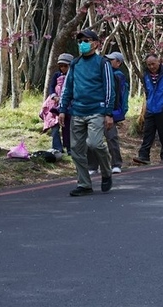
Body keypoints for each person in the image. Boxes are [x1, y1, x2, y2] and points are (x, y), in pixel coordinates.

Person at [58, 29, 115, 196]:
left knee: (95, 143)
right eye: (80, 41)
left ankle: (106, 172)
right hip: (77, 111)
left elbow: (109, 89)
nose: (82, 43)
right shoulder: (75, 64)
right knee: (76, 149)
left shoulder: (102, 63)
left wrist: (108, 113)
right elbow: (67, 87)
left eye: (86, 40)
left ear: (96, 43)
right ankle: (84, 184)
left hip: (96, 111)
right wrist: (62, 109)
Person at [87, 52, 129, 174]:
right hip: (96, 110)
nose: (108, 61)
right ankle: (93, 166)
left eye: (112, 60)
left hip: (110, 112)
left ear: (118, 63)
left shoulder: (118, 76)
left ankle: (116, 164)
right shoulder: (102, 73)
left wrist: (112, 113)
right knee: (92, 140)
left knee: (111, 138)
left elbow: (116, 97)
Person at [40, 53, 74, 154]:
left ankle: (69, 148)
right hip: (53, 104)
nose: (63, 68)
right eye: (61, 66)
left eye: (65, 66)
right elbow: (51, 87)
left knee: (67, 127)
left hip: (68, 105)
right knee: (54, 126)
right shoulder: (56, 75)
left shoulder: (74, 76)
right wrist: (54, 96)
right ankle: (57, 148)